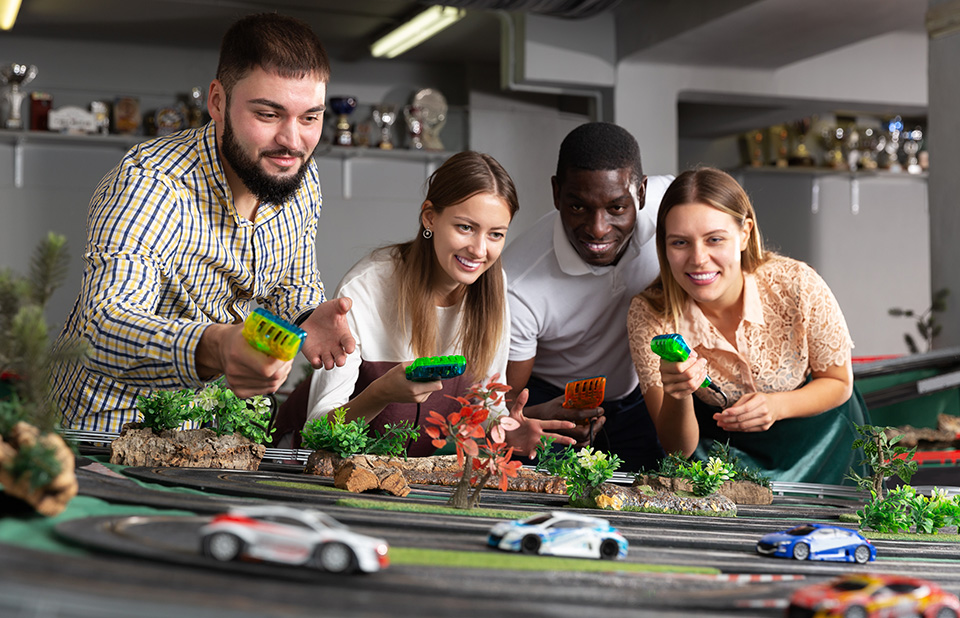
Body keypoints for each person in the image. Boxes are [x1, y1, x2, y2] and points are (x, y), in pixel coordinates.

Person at [51, 13, 355, 433]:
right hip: (101, 430)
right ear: (217, 102)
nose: (292, 140)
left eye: (309, 118)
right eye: (268, 114)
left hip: (205, 431)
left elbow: (292, 278)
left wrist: (306, 313)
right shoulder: (149, 184)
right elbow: (104, 326)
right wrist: (216, 345)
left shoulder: (300, 179)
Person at [272, 151, 576, 457]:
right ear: (430, 216)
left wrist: (506, 430)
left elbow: (485, 409)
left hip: (399, 479)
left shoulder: (494, 294)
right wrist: (380, 394)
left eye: (495, 234)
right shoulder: (366, 287)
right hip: (303, 463)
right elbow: (316, 433)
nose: (479, 250)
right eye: (465, 227)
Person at [626, 167, 868, 484]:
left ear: (745, 234)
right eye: (680, 243)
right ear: (664, 246)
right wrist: (679, 393)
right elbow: (677, 449)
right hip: (731, 464)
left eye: (715, 239)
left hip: (825, 450)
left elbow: (838, 382)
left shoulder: (797, 283)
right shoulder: (649, 313)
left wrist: (777, 405)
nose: (698, 259)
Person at [503, 122, 671, 473]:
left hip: (637, 397)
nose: (598, 228)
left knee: (654, 501)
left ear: (640, 193)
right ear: (556, 193)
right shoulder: (516, 282)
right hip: (553, 404)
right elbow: (505, 401)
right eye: (578, 207)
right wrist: (536, 413)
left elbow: (728, 224)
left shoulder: (669, 208)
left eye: (616, 208)